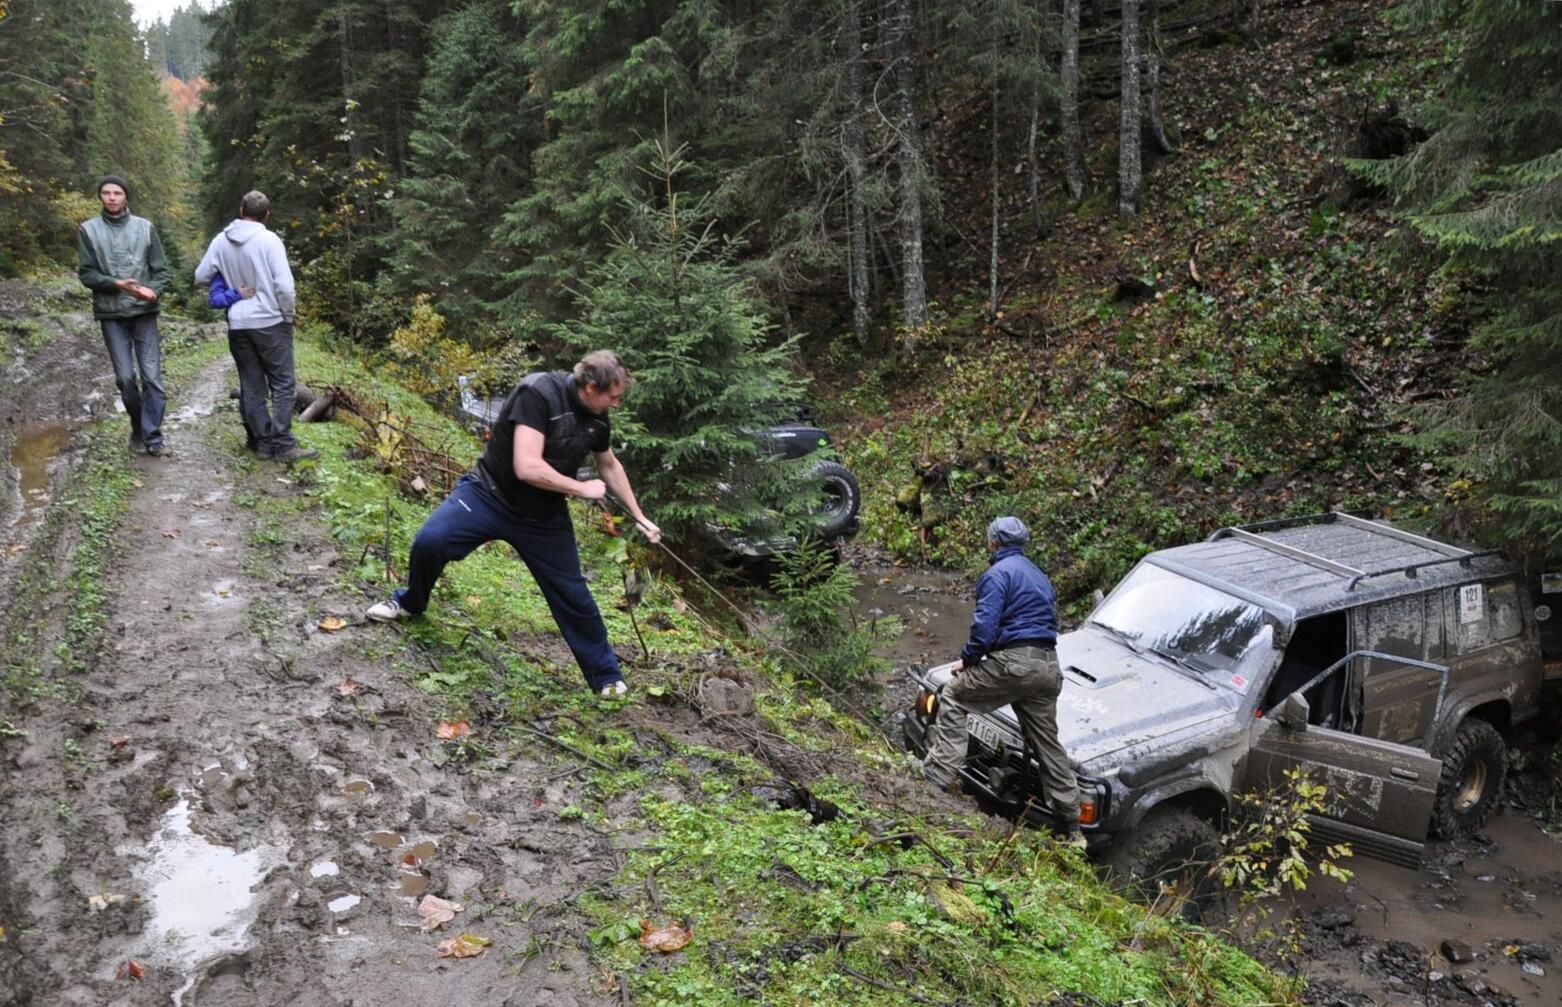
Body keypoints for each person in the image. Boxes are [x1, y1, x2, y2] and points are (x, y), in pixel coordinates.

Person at [366, 351, 662, 699]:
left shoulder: (597, 418)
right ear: (591, 386)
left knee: (574, 595)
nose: (616, 403)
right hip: (489, 495)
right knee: (432, 541)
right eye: (613, 396)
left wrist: (639, 516)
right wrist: (581, 488)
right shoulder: (538, 393)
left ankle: (607, 678)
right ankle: (410, 602)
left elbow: (609, 465)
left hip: (543, 516)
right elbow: (527, 466)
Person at [922, 516, 1085, 849]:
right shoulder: (1039, 575)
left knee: (953, 694)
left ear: (993, 543)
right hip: (1048, 667)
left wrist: (967, 660)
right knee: (1046, 742)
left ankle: (934, 780)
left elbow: (985, 626)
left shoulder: (997, 575)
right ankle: (1070, 827)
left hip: (1015, 664)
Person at [194, 190, 316, 462]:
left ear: (241, 210)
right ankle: (284, 445)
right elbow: (284, 286)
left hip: (238, 323)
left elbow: (200, 275)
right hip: (271, 320)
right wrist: (288, 314)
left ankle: (261, 444)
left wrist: (231, 287)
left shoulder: (221, 240)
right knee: (283, 384)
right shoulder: (269, 240)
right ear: (267, 215)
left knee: (251, 385)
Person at [76, 174, 172, 456]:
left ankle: (153, 437)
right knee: (125, 379)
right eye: (106, 193)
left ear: (125, 196)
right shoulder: (88, 230)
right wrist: (116, 283)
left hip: (144, 312)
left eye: (117, 192)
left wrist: (151, 291)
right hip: (111, 313)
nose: (112, 197)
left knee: (152, 377)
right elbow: (87, 274)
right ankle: (137, 425)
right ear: (100, 197)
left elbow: (162, 272)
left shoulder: (145, 228)